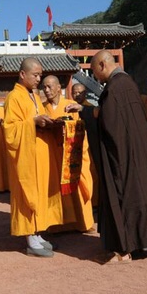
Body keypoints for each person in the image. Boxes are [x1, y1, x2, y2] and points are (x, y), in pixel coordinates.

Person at [90, 50, 147, 263]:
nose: (95, 77)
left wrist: (92, 115)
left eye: (94, 71)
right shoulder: (128, 84)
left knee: (125, 194)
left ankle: (124, 248)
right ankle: (143, 242)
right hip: (138, 152)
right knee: (142, 193)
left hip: (123, 156)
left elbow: (109, 121)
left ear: (102, 65)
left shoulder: (115, 88)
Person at [3, 59, 62, 258]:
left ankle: (37, 232)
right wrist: (32, 122)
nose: (38, 79)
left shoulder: (34, 97)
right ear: (22, 74)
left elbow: (38, 118)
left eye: (40, 75)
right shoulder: (14, 97)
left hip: (39, 153)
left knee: (39, 194)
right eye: (35, 75)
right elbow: (10, 130)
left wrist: (49, 122)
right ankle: (29, 238)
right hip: (25, 157)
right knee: (27, 195)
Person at [40, 75, 93, 233]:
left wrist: (67, 126)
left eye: (50, 87)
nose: (47, 90)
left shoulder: (71, 106)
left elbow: (81, 128)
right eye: (44, 87)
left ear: (59, 88)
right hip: (52, 153)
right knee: (54, 187)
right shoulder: (42, 108)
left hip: (71, 153)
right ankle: (57, 224)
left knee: (76, 185)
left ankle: (83, 222)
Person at [71, 83, 100, 208]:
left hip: (90, 146)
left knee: (93, 174)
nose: (77, 95)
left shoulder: (91, 109)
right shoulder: (71, 109)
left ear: (85, 93)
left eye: (80, 92)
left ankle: (95, 202)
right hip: (76, 147)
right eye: (75, 92)